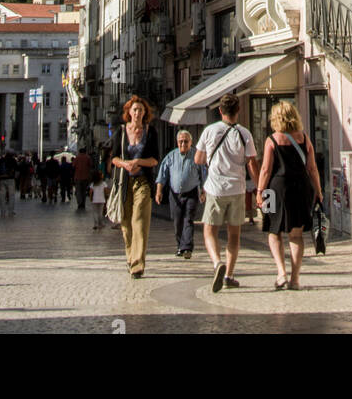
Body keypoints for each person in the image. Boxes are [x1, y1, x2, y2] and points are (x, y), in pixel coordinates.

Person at [194, 93, 259, 293]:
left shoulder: (209, 131)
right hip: (237, 189)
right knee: (234, 234)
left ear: (220, 111)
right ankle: (229, 275)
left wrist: (209, 158)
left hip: (215, 189)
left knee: (209, 230)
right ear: (238, 110)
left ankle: (216, 263)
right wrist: (259, 188)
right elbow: (252, 163)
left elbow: (197, 159)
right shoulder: (245, 134)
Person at [256, 100, 323, 290]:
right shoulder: (304, 138)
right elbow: (312, 168)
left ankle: (281, 273)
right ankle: (295, 279)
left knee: (273, 230)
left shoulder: (272, 140)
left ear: (275, 118)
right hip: (301, 188)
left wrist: (260, 192)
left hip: (275, 189)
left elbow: (266, 170)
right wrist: (318, 191)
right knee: (296, 234)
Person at [109, 95, 159, 278]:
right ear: (129, 112)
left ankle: (138, 263)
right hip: (124, 182)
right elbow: (113, 157)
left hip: (143, 182)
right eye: (135, 110)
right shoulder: (121, 132)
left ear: (145, 113)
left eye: (141, 110)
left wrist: (138, 161)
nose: (138, 113)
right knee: (126, 224)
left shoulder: (150, 132)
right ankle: (130, 257)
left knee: (140, 220)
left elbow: (154, 159)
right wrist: (125, 164)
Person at [155, 129, 206, 259]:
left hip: (191, 192)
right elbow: (162, 175)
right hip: (175, 193)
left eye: (186, 141)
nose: (183, 144)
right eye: (180, 141)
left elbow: (203, 174)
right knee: (177, 221)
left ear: (191, 142)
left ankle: (187, 247)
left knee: (188, 219)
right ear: (177, 142)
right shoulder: (171, 156)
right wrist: (159, 191)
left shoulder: (196, 156)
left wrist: (203, 191)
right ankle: (180, 246)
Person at [0, 150, 18, 216]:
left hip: (2, 179)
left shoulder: (1, 160)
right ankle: (10, 211)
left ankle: (3, 211)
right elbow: (17, 169)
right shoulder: (13, 160)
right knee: (11, 195)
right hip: (10, 179)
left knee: (2, 196)